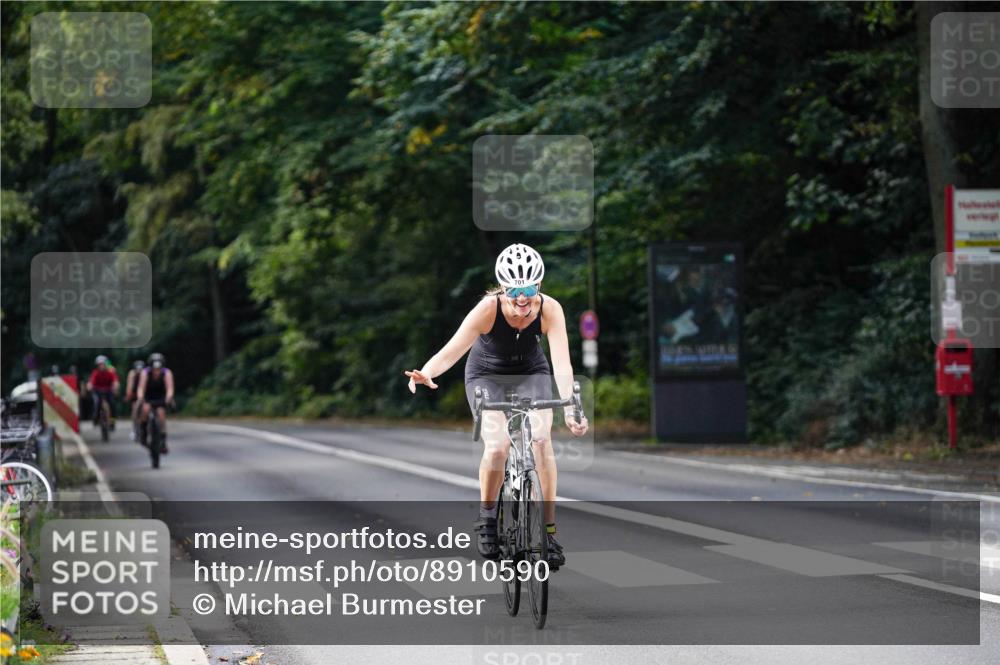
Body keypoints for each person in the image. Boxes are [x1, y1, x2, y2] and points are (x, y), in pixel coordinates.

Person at [405, 243, 589, 568]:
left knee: (542, 440)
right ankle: (488, 519)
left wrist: (573, 409)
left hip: (531, 373)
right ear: (503, 288)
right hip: (486, 376)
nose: (522, 298)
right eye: (514, 291)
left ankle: (548, 533)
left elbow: (562, 364)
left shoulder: (550, 310)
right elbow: (453, 349)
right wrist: (428, 372)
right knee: (498, 446)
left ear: (539, 285)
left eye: (529, 290)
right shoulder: (488, 309)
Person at [137, 353, 175, 454]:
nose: (156, 371)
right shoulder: (145, 373)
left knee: (161, 414)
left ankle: (163, 439)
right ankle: (143, 433)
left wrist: (169, 397)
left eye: (158, 369)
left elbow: (170, 388)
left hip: (161, 398)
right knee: (145, 410)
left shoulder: (167, 373)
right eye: (154, 369)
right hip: (148, 397)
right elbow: (141, 387)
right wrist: (140, 397)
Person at [86, 355, 119, 429]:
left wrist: (116, 386)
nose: (102, 366)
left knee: (112, 404)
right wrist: (89, 386)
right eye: (100, 365)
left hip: (108, 390)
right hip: (97, 391)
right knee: (97, 403)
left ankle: (112, 421)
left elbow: (115, 381)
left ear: (106, 365)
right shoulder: (95, 373)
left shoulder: (110, 372)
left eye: (103, 364)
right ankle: (96, 418)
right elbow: (90, 382)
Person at [125, 360, 145, 442]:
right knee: (135, 410)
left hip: (145, 395)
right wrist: (128, 395)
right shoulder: (132, 374)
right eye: (138, 369)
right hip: (135, 395)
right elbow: (129, 387)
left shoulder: (146, 374)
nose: (139, 371)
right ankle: (134, 429)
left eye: (141, 369)